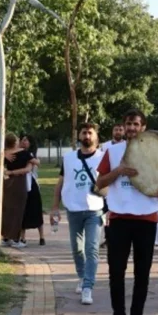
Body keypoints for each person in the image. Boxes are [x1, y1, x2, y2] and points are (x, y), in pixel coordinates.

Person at [95, 109, 158, 315]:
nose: (132, 128)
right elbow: (100, 183)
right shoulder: (112, 151)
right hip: (118, 218)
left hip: (147, 219)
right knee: (116, 272)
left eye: (136, 124)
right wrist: (118, 171)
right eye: (129, 123)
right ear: (123, 126)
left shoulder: (155, 152)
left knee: (142, 273)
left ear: (143, 127)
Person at [50, 123, 105, 305]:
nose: (87, 136)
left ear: (96, 136)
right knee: (76, 248)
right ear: (79, 136)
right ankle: (82, 276)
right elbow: (60, 182)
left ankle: (88, 287)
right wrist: (55, 206)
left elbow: (110, 182)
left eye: (90, 133)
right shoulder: (69, 158)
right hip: (73, 209)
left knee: (91, 248)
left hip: (94, 209)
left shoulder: (103, 157)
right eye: (84, 133)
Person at [1, 133, 34, 248]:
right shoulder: (24, 153)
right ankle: (16, 238)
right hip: (20, 183)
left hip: (7, 183)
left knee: (7, 209)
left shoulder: (4, 154)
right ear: (15, 142)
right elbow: (32, 166)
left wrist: (4, 155)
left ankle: (5, 237)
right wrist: (31, 162)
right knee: (18, 211)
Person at [19, 135, 45, 246]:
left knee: (36, 209)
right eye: (22, 140)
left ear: (30, 143)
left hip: (32, 184)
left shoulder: (30, 155)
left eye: (25, 140)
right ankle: (22, 237)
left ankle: (42, 237)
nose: (23, 142)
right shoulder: (20, 154)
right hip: (22, 184)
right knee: (23, 211)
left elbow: (35, 164)